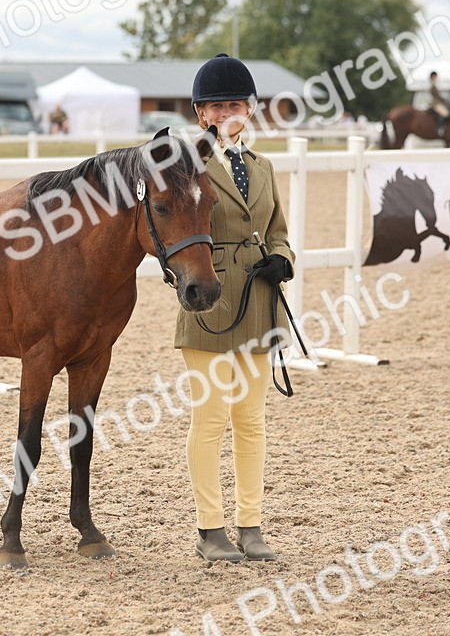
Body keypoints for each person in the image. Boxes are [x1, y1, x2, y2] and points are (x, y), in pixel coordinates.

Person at [175, 53, 295, 563]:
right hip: (210, 301)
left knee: (251, 419)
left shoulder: (263, 168)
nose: (227, 113)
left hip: (259, 303)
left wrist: (282, 261)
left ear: (249, 110)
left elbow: (277, 231)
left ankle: (251, 525)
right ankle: (210, 529)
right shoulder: (186, 168)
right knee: (210, 419)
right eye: (217, 106)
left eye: (236, 105)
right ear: (201, 113)